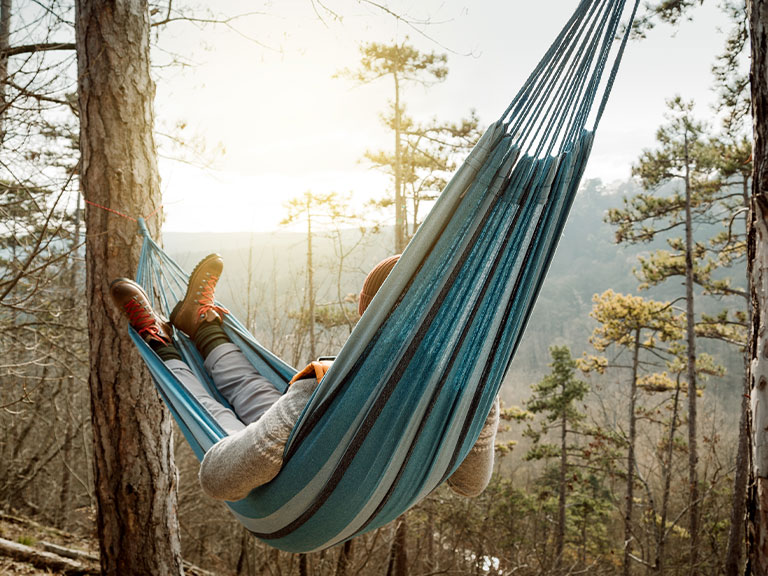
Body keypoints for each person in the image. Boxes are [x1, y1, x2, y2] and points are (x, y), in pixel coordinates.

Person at [110, 254, 499, 502]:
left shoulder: (329, 384)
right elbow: (469, 484)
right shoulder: (467, 396)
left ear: (366, 315)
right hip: (339, 480)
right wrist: (486, 407)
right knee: (257, 390)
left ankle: (160, 343)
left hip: (289, 487)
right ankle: (199, 326)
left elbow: (217, 479)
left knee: (215, 416)